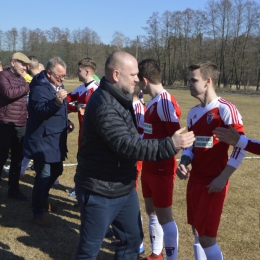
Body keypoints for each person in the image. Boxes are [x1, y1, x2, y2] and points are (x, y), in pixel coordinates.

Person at [74, 50, 195, 259]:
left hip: (122, 187)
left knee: (131, 241)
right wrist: (170, 145)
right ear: (116, 75)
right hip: (100, 190)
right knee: (89, 250)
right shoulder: (104, 104)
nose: (138, 79)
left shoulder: (121, 98)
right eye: (133, 75)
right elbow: (127, 146)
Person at [176, 61, 246, 260]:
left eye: (193, 80)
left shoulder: (226, 109)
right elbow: (191, 145)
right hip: (195, 181)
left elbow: (240, 146)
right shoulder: (193, 113)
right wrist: (184, 162)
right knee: (197, 231)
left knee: (208, 238)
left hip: (214, 182)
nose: (188, 84)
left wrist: (223, 178)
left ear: (207, 81)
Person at [137, 59, 181, 260]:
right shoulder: (153, 102)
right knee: (150, 210)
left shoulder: (164, 101)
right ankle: (156, 254)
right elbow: (149, 133)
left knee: (165, 216)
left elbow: (176, 137)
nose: (136, 84)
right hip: (148, 165)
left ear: (144, 80)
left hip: (162, 167)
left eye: (137, 80)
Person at [23, 57, 74, 227]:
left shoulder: (58, 86)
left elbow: (61, 111)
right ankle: (37, 212)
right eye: (59, 76)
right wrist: (57, 101)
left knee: (57, 170)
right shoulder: (38, 89)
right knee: (43, 176)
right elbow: (40, 112)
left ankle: (43, 198)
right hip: (42, 141)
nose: (62, 79)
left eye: (64, 76)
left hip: (56, 139)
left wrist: (67, 122)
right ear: (48, 73)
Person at [0, 52, 31, 199]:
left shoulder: (22, 79)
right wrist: (27, 87)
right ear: (13, 63)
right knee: (1, 156)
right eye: (22, 64)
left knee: (17, 158)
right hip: (5, 124)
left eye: (26, 65)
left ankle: (14, 189)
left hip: (21, 124)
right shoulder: (3, 76)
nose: (25, 68)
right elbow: (8, 93)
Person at [67, 57, 99, 149]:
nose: (77, 73)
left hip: (94, 134)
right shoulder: (80, 89)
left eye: (79, 70)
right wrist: (75, 108)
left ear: (87, 72)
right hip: (82, 132)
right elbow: (64, 101)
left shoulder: (98, 89)